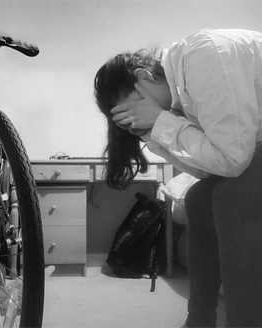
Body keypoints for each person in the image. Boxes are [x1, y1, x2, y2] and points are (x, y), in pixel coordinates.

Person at [94, 29, 262, 328]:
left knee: (230, 198)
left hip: (249, 152)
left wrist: (161, 121)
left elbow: (233, 162)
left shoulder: (203, 58)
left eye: (135, 107)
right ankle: (199, 320)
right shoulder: (180, 101)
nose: (137, 117)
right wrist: (156, 135)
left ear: (144, 76)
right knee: (197, 198)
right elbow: (211, 170)